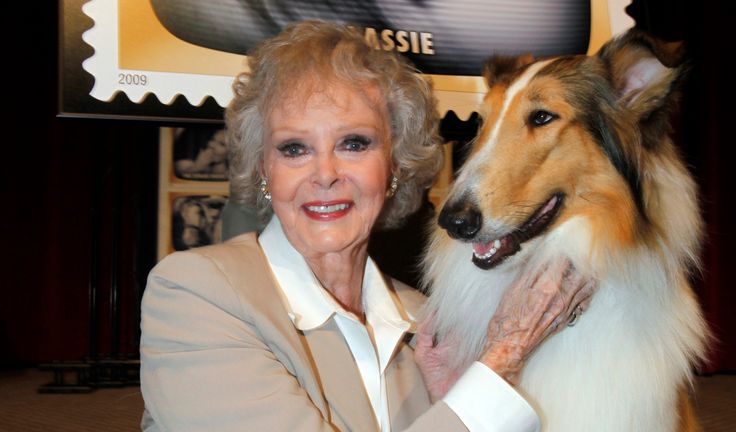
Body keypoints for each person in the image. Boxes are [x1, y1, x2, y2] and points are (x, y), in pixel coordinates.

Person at [140, 20, 594, 431]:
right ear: (264, 170)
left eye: (354, 143)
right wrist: (502, 361)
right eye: (294, 149)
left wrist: (449, 393)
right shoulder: (196, 294)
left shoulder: (428, 322)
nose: (324, 174)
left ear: (395, 165)